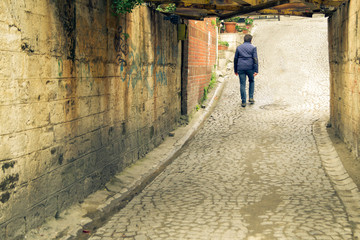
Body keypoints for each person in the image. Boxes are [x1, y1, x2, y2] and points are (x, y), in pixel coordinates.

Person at [234, 34, 258, 107]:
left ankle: (243, 101)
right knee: (251, 81)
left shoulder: (238, 48)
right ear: (251, 40)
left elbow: (235, 59)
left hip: (240, 67)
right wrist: (256, 70)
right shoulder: (253, 47)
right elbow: (255, 59)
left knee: (242, 84)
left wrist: (235, 70)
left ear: (243, 40)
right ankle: (251, 97)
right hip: (250, 67)